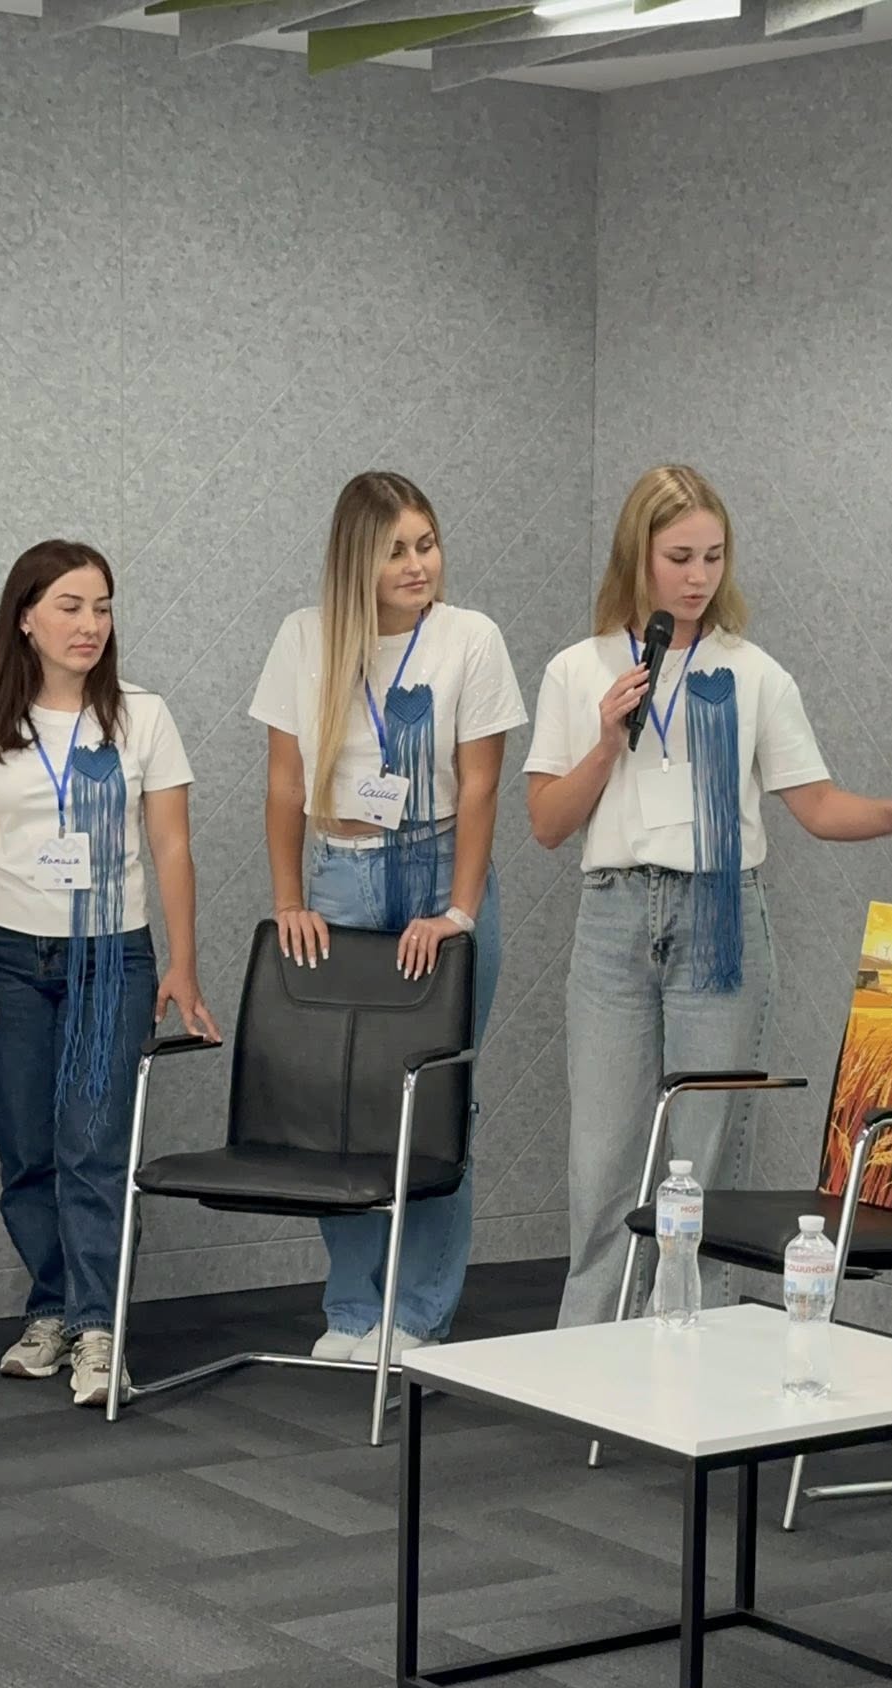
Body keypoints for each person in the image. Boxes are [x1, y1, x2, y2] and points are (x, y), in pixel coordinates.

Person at [525, 465, 892, 1328]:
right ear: (637, 556)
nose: (698, 577)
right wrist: (607, 740)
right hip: (615, 916)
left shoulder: (754, 673)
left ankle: (694, 1344)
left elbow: (818, 805)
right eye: (679, 557)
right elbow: (546, 823)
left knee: (707, 1156)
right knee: (603, 1156)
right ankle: (587, 1349)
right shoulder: (578, 670)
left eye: (713, 557)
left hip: (719, 917)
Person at [250, 471, 526, 1374]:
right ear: (355, 562)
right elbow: (285, 784)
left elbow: (480, 786)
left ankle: (417, 1313)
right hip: (339, 875)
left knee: (433, 1102)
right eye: (395, 550)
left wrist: (459, 912)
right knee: (344, 1107)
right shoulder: (305, 637)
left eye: (426, 544)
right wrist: (289, 899)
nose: (417, 565)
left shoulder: (470, 638)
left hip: (439, 871)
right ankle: (354, 1306)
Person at [0, 540, 218, 1405]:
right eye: (71, 606)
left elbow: (172, 846)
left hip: (110, 957)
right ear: (26, 617)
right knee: (26, 1150)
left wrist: (184, 965)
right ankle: (52, 1308)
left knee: (93, 1146)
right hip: (10, 957)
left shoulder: (141, 717)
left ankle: (99, 1327)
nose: (91, 624)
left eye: (103, 607)